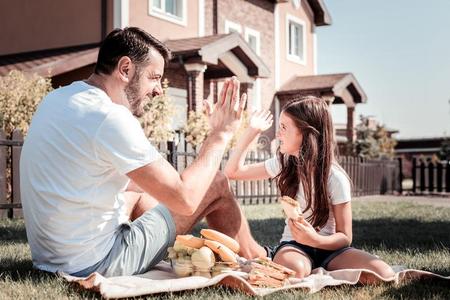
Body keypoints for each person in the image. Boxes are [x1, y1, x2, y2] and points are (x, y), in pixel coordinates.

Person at [20, 27, 265, 278]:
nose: (159, 89)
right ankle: (257, 258)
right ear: (125, 69)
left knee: (139, 193)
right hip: (99, 263)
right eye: (154, 77)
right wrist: (220, 135)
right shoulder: (110, 116)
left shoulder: (58, 99)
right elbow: (186, 199)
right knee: (216, 182)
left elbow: (140, 185)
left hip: (51, 259)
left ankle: (208, 254)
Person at [224, 96, 395, 281]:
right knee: (295, 271)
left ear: (305, 133)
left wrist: (315, 240)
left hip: (330, 249)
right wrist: (252, 131)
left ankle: (286, 259)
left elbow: (345, 237)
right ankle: (275, 255)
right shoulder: (283, 164)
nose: (278, 134)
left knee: (383, 274)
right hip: (294, 246)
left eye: (284, 127)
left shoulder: (335, 179)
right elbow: (232, 172)